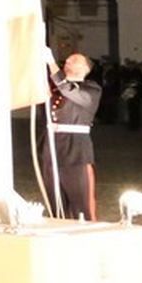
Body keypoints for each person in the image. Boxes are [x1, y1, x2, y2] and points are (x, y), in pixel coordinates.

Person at [39, 51, 102, 222]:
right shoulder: (55, 89)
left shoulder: (91, 89)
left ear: (84, 68)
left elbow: (67, 89)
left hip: (75, 149)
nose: (67, 62)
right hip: (52, 147)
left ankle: (86, 232)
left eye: (73, 61)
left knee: (81, 199)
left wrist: (51, 63)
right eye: (66, 61)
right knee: (54, 198)